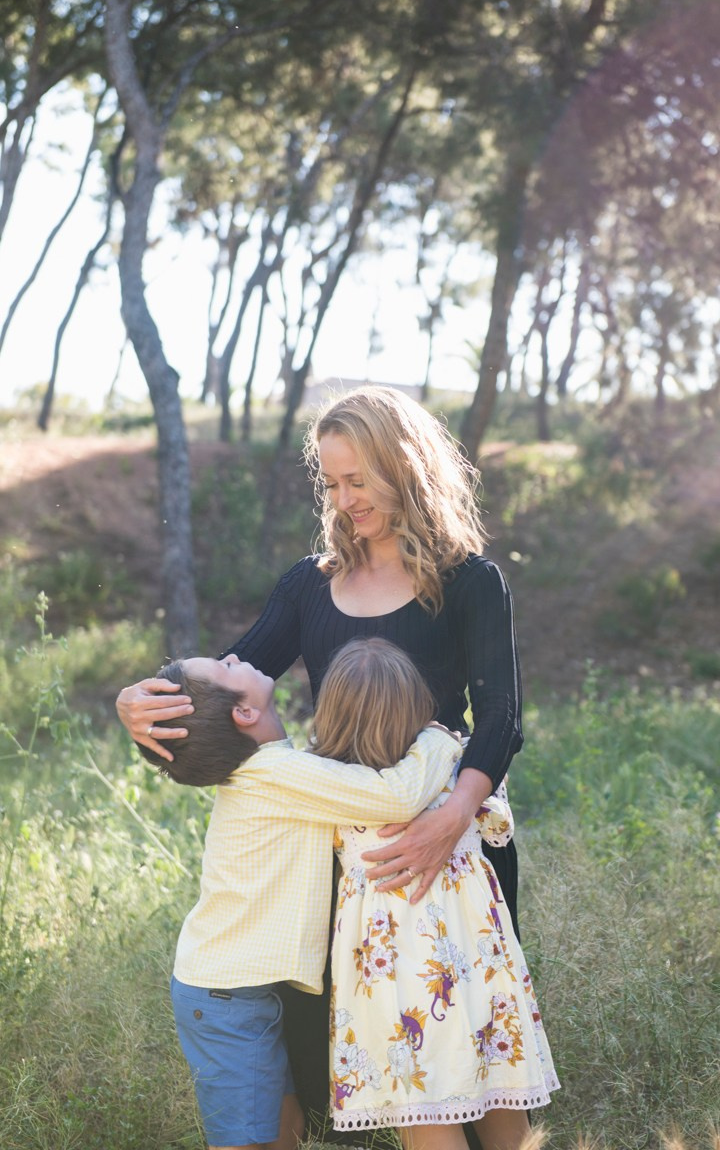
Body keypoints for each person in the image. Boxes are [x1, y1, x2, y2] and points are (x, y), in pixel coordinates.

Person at [116, 384, 524, 1130]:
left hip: (454, 840)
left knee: (478, 1042)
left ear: (404, 467)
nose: (343, 499)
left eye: (357, 480)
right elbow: (226, 690)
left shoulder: (469, 581)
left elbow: (501, 717)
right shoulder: (310, 585)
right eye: (331, 483)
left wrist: (449, 819)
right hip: (354, 852)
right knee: (370, 1051)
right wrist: (132, 703)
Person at [139, 649, 460, 1150]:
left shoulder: (277, 765)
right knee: (245, 1142)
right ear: (244, 712)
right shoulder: (274, 772)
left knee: (282, 1130)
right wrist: (438, 739)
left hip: (236, 993)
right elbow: (395, 796)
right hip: (223, 996)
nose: (235, 654)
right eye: (226, 667)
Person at [312, 638, 559, 1149]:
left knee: (422, 1105)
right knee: (502, 1094)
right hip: (477, 962)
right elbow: (498, 829)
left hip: (393, 979)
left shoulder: (329, 790)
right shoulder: (457, 769)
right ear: (417, 707)